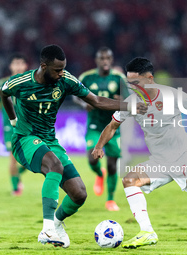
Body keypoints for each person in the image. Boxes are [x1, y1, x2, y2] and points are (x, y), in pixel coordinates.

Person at [0, 45, 147, 248]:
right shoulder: (23, 82)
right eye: (57, 70)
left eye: (63, 69)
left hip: (49, 140)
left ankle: (58, 225)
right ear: (44, 66)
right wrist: (14, 120)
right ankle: (47, 228)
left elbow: (95, 100)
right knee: (55, 165)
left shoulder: (66, 80)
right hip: (25, 138)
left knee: (79, 194)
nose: (61, 73)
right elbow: (3, 93)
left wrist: (128, 106)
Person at [92, 57, 187, 248]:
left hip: (183, 154)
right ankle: (147, 231)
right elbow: (113, 126)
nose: (132, 87)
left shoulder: (172, 95)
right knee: (129, 180)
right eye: (129, 83)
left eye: (135, 82)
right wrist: (99, 146)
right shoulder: (131, 102)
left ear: (149, 78)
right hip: (159, 161)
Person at [73, 47, 127, 211]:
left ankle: (110, 200)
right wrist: (83, 103)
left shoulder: (119, 78)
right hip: (94, 125)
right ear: (96, 60)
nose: (105, 61)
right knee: (92, 159)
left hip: (114, 125)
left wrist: (122, 99)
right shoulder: (87, 77)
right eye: (102, 58)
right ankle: (99, 173)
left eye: (108, 58)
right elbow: (75, 94)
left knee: (112, 164)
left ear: (111, 60)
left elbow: (130, 97)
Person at [0, 53, 28, 196]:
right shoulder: (3, 82)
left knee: (28, 159)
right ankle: (15, 188)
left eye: (21, 63)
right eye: (16, 63)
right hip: (10, 126)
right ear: (11, 66)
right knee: (13, 158)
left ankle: (17, 175)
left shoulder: (30, 82)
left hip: (27, 125)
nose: (19, 66)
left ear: (25, 66)